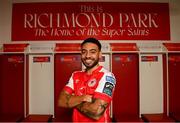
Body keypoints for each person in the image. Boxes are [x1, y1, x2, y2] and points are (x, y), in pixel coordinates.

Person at [58, 38, 116, 122]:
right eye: (84, 52)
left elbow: (96, 112)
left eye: (92, 52)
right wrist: (82, 98)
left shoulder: (107, 76)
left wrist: (73, 100)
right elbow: (61, 101)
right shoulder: (75, 75)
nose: (87, 56)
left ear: (100, 54)